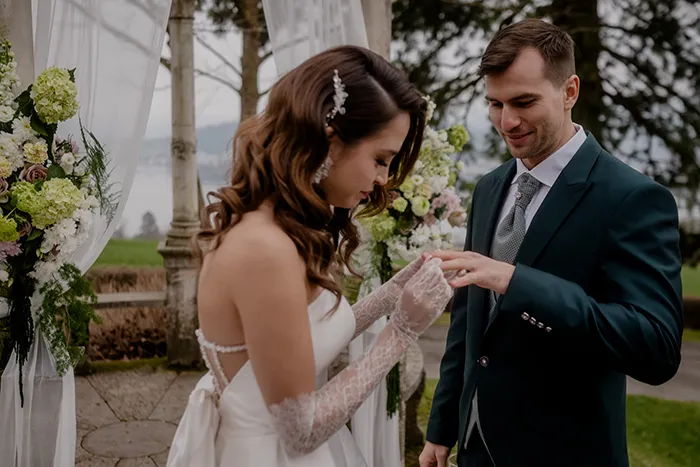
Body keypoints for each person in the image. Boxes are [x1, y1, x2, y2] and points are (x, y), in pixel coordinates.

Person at [165, 45, 454, 467]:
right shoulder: (265, 250)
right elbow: (302, 431)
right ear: (331, 143)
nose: (383, 179)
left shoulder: (281, 228)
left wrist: (396, 291)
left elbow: (311, 337)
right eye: (381, 159)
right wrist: (402, 332)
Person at [419, 18, 683, 467]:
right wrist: (442, 429)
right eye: (495, 104)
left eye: (524, 102)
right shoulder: (488, 188)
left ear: (570, 91)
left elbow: (655, 348)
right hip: (475, 449)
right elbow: (468, 325)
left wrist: (519, 283)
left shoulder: (632, 198)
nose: (508, 121)